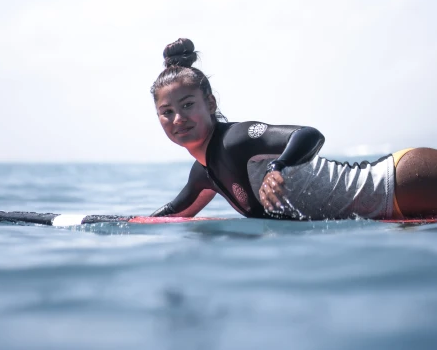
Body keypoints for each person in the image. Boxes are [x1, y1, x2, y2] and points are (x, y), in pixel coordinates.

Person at [151, 38, 437, 221]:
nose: (177, 118)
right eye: (167, 112)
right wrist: (110, 223)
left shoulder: (238, 139)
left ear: (210, 104)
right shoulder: (204, 173)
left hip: (399, 183)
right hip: (396, 211)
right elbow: (170, 216)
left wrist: (279, 167)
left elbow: (309, 134)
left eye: (187, 105)